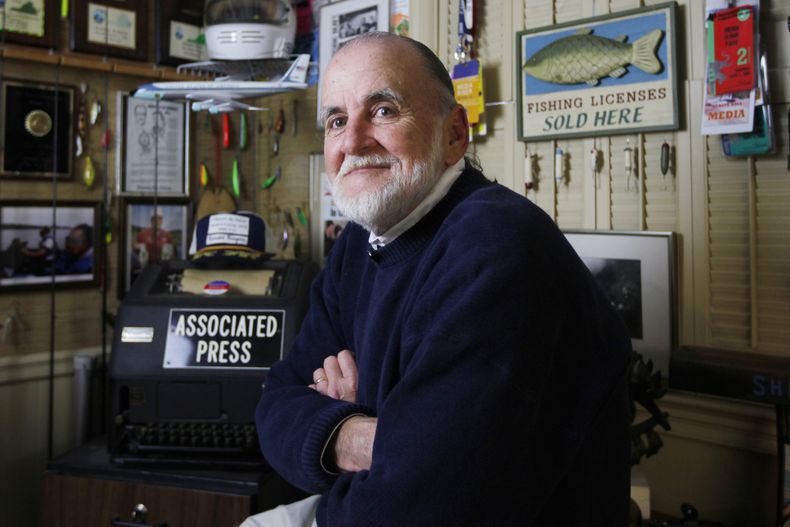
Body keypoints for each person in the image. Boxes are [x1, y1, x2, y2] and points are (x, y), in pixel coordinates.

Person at [245, 32, 633, 527]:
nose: (353, 141)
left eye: (383, 110)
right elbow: (276, 403)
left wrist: (349, 437)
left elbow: (422, 502)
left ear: (454, 134)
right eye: (337, 120)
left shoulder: (498, 245)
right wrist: (354, 433)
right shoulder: (358, 245)